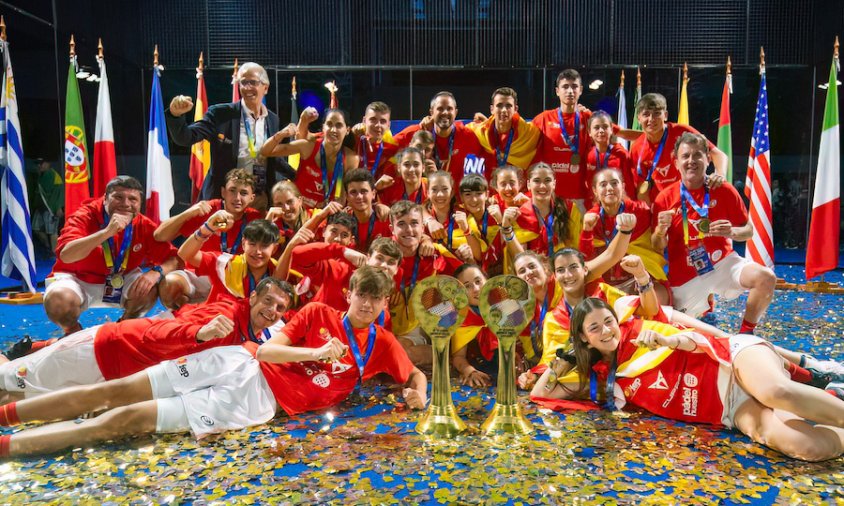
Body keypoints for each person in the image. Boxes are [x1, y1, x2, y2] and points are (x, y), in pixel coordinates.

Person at [0, 267, 427, 458]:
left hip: (253, 403)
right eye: (361, 294)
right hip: (236, 362)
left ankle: (7, 446)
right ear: (349, 293)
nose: (367, 304)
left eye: (376, 298)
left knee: (125, 419)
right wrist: (315, 353)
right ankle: (6, 414)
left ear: (385, 301)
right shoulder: (318, 313)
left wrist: (418, 390)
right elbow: (269, 350)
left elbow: (413, 372)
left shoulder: (384, 343)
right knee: (109, 394)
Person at [533, 297, 844, 462]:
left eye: (608, 322)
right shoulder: (599, 385)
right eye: (594, 329)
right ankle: (833, 400)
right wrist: (564, 358)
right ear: (584, 340)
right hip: (728, 409)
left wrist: (669, 342)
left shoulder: (640, 331)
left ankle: (823, 395)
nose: (606, 331)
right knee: (804, 447)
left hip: (730, 361)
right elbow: (540, 393)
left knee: (776, 391)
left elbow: (693, 338)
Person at [0, 278, 292, 402]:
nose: (272, 311)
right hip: (105, 353)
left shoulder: (249, 332)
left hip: (116, 372)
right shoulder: (226, 316)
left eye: (279, 308)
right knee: (7, 384)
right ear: (253, 296)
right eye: (268, 301)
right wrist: (198, 334)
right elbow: (163, 331)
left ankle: (33, 349)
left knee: (23, 394)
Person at [651, 133, 775, 334]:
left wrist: (732, 231)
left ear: (708, 159)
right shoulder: (664, 199)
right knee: (668, 328)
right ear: (676, 162)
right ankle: (706, 307)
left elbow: (748, 230)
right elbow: (657, 245)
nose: (691, 161)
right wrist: (659, 231)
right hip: (685, 275)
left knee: (765, 278)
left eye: (697, 155)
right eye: (686, 156)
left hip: (722, 264)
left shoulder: (723, 189)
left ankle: (746, 333)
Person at [45, 176, 180, 335]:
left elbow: (175, 259)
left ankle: (122, 330)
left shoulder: (143, 224)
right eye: (118, 197)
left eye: (133, 199)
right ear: (104, 199)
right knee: (58, 302)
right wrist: (106, 232)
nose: (126, 204)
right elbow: (66, 255)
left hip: (120, 277)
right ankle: (73, 335)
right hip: (78, 278)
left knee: (148, 290)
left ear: (140, 204)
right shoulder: (83, 216)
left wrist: (156, 271)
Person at [166, 62, 295, 207]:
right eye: (243, 82)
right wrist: (175, 116)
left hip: (259, 199)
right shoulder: (220, 114)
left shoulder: (272, 119)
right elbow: (186, 137)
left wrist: (298, 177)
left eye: (252, 82)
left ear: (265, 87)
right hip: (225, 198)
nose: (246, 88)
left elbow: (272, 157)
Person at [154, 169, 263, 309]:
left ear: (252, 198)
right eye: (232, 191)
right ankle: (184, 323)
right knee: (170, 285)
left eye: (243, 193)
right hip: (200, 275)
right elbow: (159, 235)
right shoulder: (207, 209)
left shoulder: (256, 219)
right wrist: (188, 212)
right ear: (223, 192)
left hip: (234, 278)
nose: (237, 198)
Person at [531, 69, 638, 202]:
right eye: (565, 87)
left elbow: (622, 133)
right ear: (557, 91)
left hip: (581, 198)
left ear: (580, 90)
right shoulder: (543, 119)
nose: (570, 91)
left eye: (574, 86)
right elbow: (524, 143)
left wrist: (660, 134)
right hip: (550, 197)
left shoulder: (589, 118)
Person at [580, 167, 670, 304]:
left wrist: (661, 230)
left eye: (614, 183)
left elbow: (657, 246)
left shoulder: (641, 211)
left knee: (659, 300)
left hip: (638, 279)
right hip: (605, 284)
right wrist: (586, 231)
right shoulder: (591, 218)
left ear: (622, 187)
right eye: (603, 184)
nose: (609, 188)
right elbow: (585, 260)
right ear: (595, 191)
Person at [628, 93, 728, 203]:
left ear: (665, 115)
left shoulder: (681, 132)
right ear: (638, 118)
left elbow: (718, 154)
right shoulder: (637, 148)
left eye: (657, 114)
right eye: (646, 114)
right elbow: (642, 190)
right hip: (666, 204)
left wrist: (720, 174)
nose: (651, 119)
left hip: (694, 198)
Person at [261, 107, 360, 210]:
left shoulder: (351, 158)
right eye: (329, 124)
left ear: (347, 130)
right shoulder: (308, 147)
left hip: (326, 215)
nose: (333, 130)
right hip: (297, 213)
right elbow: (266, 151)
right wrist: (281, 134)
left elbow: (344, 195)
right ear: (323, 128)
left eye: (338, 125)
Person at [389, 200, 445, 366]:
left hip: (418, 326)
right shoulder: (382, 254)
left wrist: (427, 241)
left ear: (422, 227)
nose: (409, 230)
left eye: (414, 223)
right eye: (402, 224)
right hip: (388, 325)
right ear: (391, 229)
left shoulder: (432, 255)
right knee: (394, 351)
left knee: (398, 352)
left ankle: (442, 354)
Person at [393, 91, 491, 186]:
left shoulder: (468, 136)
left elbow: (490, 156)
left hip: (457, 200)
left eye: (449, 109)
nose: (445, 112)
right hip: (423, 198)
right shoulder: (415, 133)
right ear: (431, 112)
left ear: (456, 112)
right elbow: (385, 147)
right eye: (440, 108)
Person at [177, 219, 281, 305]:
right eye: (252, 244)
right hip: (214, 321)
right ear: (244, 243)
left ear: (275, 249)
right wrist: (206, 229)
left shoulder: (280, 273)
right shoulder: (225, 264)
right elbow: (185, 254)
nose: (257, 252)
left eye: (264, 246)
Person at [506, 162, 582, 260]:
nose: (542, 186)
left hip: (563, 269)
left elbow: (575, 247)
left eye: (547, 181)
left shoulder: (570, 209)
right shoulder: (519, 215)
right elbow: (519, 257)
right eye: (537, 181)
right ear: (529, 184)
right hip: (533, 271)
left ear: (554, 184)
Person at [468, 87, 540, 171]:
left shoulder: (530, 133)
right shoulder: (480, 132)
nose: (504, 110)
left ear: (515, 109)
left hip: (517, 182)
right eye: (499, 105)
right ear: (492, 109)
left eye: (508, 106)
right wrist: (486, 122)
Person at [451, 264, 497, 388]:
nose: (476, 289)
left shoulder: (504, 305)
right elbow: (458, 358)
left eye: (478, 281)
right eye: (467, 286)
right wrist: (469, 371)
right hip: (482, 373)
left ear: (487, 280)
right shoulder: (462, 319)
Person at [582, 111, 633, 207]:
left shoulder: (621, 154)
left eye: (605, 127)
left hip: (617, 206)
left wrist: (627, 206)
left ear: (611, 130)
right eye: (596, 128)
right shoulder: (587, 154)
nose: (601, 130)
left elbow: (629, 185)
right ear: (589, 132)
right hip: (593, 206)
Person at [342, 169, 393, 252]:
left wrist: (423, 239)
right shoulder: (341, 220)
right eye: (353, 192)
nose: (359, 196)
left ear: (373, 194)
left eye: (364, 191)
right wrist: (321, 215)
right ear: (347, 196)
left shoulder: (386, 218)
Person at [356, 101, 400, 180]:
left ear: (388, 125)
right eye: (373, 119)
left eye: (383, 121)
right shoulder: (354, 141)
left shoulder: (393, 149)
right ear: (364, 121)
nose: (378, 125)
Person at [31, 158, 64, 258]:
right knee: (36, 229)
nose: (39, 166)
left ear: (48, 163)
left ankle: (55, 254)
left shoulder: (53, 175)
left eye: (41, 163)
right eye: (38, 164)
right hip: (41, 208)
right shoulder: (41, 175)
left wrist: (59, 207)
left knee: (52, 232)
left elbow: (60, 192)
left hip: (51, 208)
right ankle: (48, 247)